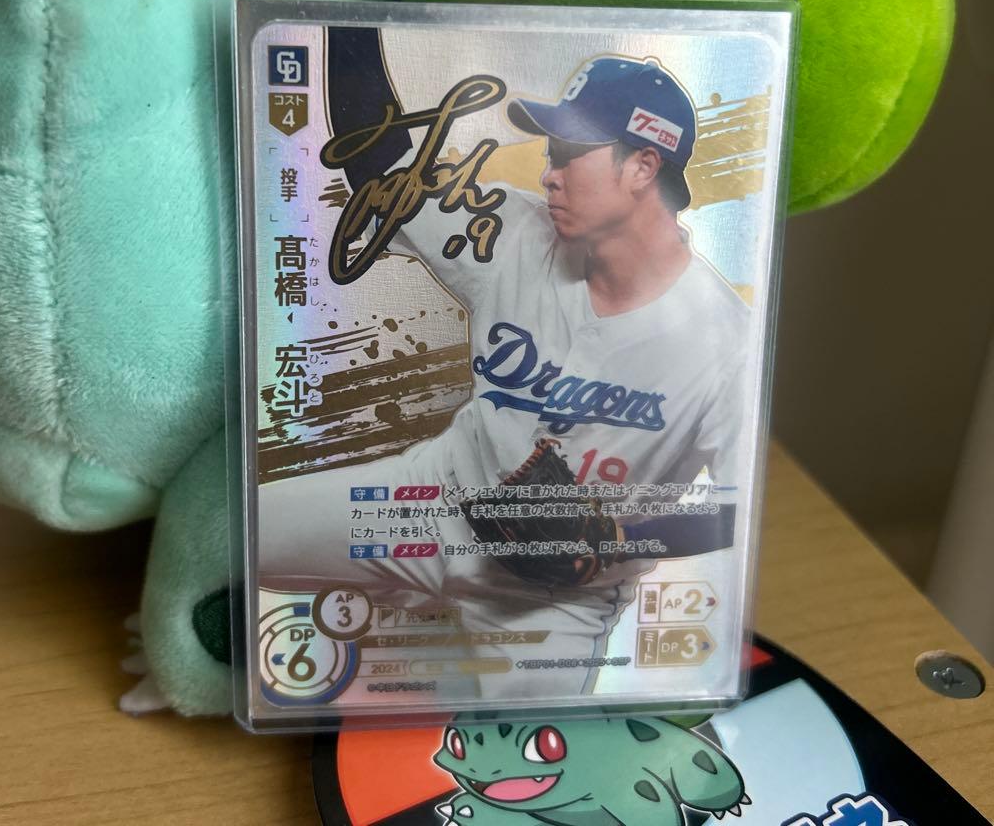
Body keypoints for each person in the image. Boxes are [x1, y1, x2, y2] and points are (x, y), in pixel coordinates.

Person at [258, 55, 750, 697]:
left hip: (558, 598)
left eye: (569, 153)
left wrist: (618, 537)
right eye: (550, 153)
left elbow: (736, 505)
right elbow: (382, 167)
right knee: (241, 533)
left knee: (528, 747)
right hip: (426, 504)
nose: (549, 175)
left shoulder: (726, 340)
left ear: (642, 166)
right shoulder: (514, 232)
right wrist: (354, 21)